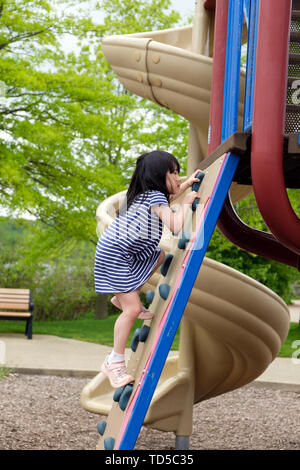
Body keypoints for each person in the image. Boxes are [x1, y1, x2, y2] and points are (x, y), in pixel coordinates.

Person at [94, 150, 200, 388]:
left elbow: (169, 197)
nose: (177, 178)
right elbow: (175, 225)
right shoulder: (154, 198)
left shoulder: (145, 196)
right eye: (173, 173)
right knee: (132, 311)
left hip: (119, 251)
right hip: (117, 255)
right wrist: (185, 203)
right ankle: (114, 362)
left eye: (178, 173)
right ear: (156, 175)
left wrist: (187, 182)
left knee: (159, 254)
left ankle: (123, 299)